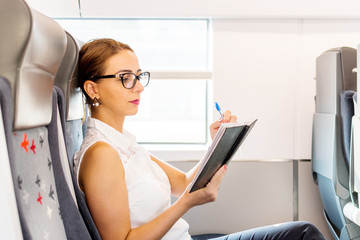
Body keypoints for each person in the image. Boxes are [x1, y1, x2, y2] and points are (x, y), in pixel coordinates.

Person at [74, 38, 325, 240]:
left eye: (139, 76)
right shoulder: (101, 154)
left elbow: (183, 183)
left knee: (302, 231)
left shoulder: (123, 142)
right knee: (303, 234)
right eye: (125, 78)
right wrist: (186, 204)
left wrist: (217, 144)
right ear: (92, 89)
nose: (139, 86)